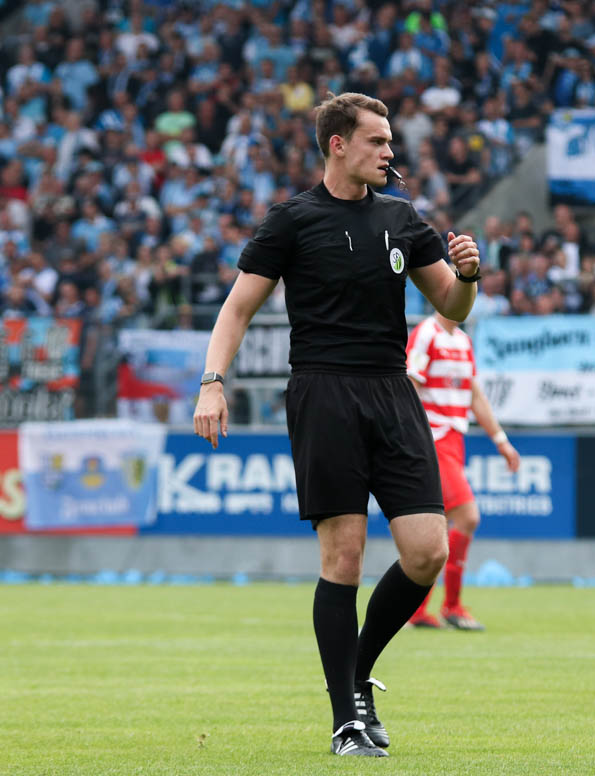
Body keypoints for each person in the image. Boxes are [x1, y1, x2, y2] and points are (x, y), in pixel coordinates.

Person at [192, 93, 483, 758]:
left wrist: (468, 275)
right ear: (339, 145)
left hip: (392, 390)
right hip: (323, 393)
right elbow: (236, 310)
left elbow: (453, 305)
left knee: (427, 550)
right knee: (343, 560)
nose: (389, 153)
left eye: (389, 143)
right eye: (378, 142)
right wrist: (213, 384)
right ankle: (346, 717)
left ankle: (356, 672)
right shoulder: (292, 220)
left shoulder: (402, 217)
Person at [404, 311, 521, 631]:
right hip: (434, 439)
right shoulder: (426, 333)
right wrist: (417, 437)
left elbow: (473, 394)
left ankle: (417, 611)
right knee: (468, 517)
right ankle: (451, 606)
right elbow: (409, 385)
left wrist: (501, 440)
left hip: (455, 441)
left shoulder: (464, 341)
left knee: (436, 529)